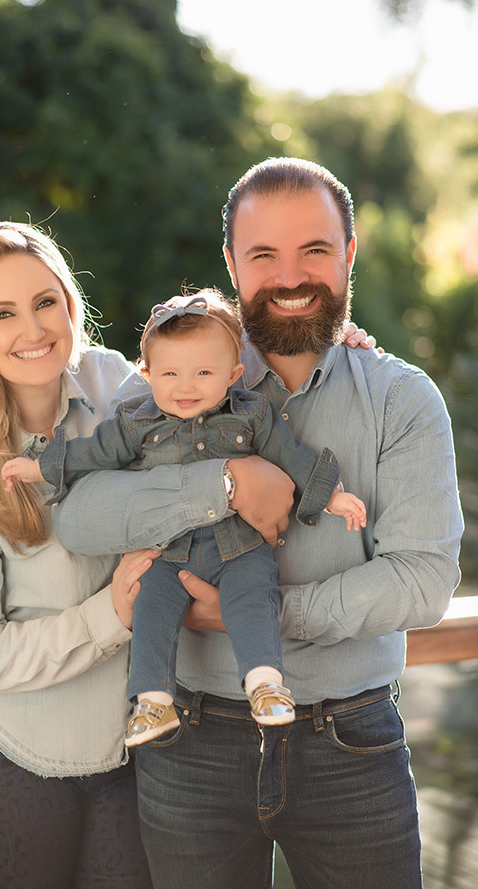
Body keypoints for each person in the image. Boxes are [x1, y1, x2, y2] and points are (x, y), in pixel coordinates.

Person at [49, 157, 464, 889]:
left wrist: (250, 617)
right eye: (264, 254)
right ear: (232, 265)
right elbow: (80, 518)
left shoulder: (403, 400)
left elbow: (423, 581)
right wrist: (226, 481)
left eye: (315, 250)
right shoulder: (172, 376)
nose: (291, 276)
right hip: (189, 743)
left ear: (349, 255)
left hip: (353, 745)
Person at [1, 288, 366, 746]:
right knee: (151, 606)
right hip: (170, 551)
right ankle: (153, 701)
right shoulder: (137, 422)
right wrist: (39, 466)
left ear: (233, 375)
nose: (185, 386)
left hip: (241, 546)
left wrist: (330, 496)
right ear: (147, 373)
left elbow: (292, 456)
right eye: (170, 373)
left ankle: (266, 684)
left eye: (203, 373)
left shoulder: (251, 415)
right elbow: (92, 453)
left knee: (253, 597)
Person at [0, 221, 159, 889]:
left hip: (125, 758)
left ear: (70, 304)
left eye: (45, 301)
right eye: (3, 313)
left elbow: (213, 393)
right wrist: (111, 614)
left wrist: (331, 353)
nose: (33, 329)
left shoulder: (118, 387)